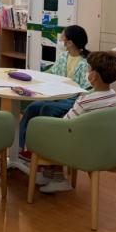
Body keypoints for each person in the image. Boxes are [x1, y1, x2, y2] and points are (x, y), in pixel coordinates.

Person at [37, 51, 116, 193]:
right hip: (106, 146)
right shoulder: (114, 97)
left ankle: (58, 177)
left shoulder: (85, 100)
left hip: (85, 150)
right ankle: (50, 173)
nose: (87, 71)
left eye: (89, 68)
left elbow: (65, 124)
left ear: (93, 76)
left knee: (48, 131)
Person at [18, 25, 92, 153]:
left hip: (73, 99)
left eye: (63, 37)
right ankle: (19, 147)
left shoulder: (86, 62)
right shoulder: (63, 56)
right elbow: (52, 72)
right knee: (32, 107)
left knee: (47, 108)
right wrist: (34, 77)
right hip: (56, 95)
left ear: (70, 42)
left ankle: (43, 150)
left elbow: (87, 87)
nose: (61, 39)